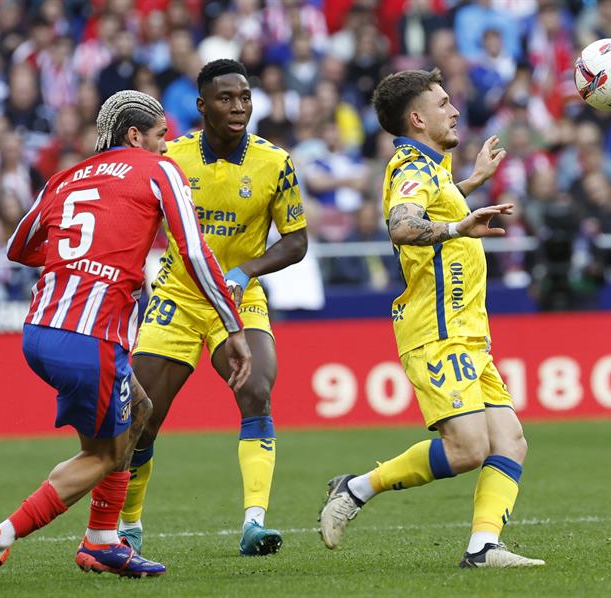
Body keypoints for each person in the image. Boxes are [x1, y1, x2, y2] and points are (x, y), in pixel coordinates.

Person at [0, 90, 251, 583]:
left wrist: (75, 263)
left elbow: (19, 246)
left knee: (137, 411)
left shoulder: (66, 176)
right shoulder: (159, 170)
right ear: (135, 136)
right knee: (102, 455)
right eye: (162, 136)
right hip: (91, 339)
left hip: (40, 329)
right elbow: (195, 252)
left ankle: (102, 542)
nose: (168, 147)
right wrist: (233, 323)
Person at [318, 68, 544, 569]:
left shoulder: (432, 168)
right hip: (437, 332)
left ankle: (483, 548)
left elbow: (431, 204)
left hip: (469, 333)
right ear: (417, 118)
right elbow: (402, 225)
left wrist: (470, 185)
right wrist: (460, 223)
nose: (455, 109)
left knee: (510, 440)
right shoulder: (410, 167)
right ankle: (355, 489)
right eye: (443, 103)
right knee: (466, 450)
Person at [118, 59, 308, 557]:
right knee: (142, 417)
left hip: (239, 298)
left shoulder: (275, 162)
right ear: (202, 106)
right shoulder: (171, 159)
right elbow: (135, 218)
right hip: (178, 298)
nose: (239, 106)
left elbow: (297, 242)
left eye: (245, 97)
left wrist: (246, 272)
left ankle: (254, 523)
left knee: (258, 392)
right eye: (226, 98)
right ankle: (129, 526)